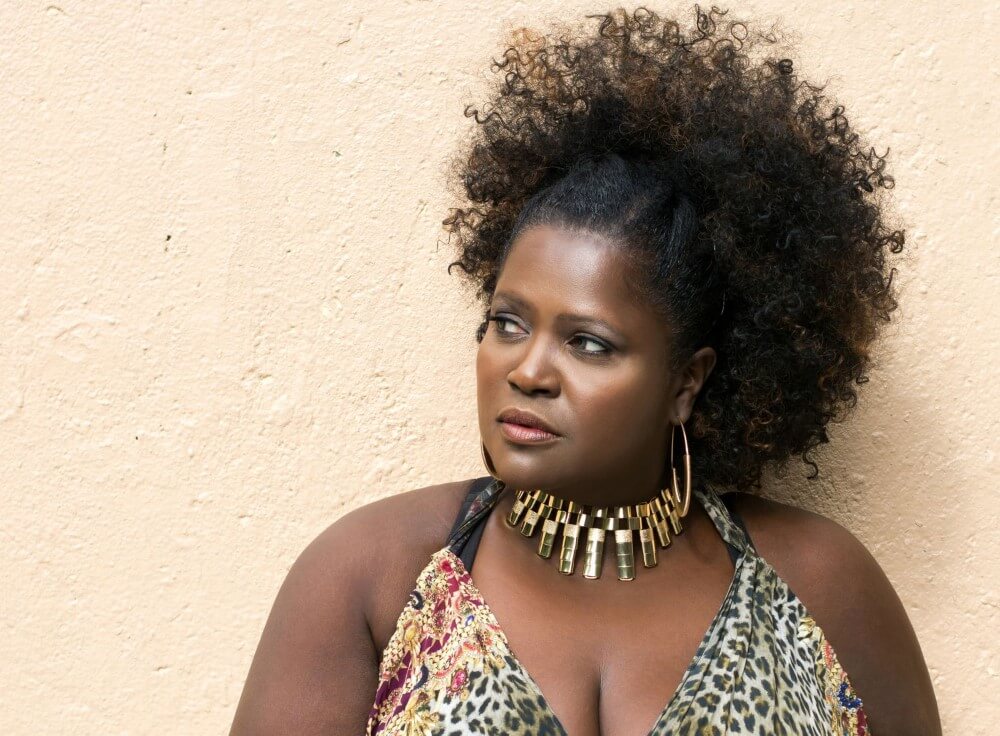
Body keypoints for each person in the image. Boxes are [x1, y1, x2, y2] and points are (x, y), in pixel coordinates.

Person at [229, 6, 941, 735]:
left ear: (685, 383)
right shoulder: (371, 575)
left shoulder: (818, 584)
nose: (527, 369)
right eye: (507, 324)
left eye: (588, 343)